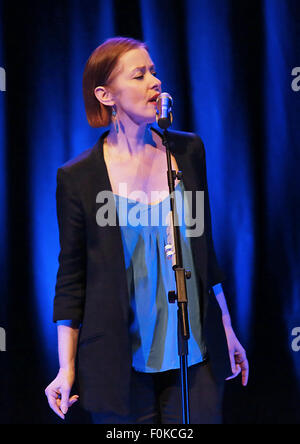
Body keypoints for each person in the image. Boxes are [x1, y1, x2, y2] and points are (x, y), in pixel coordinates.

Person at [45, 37, 249, 424]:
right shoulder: (79, 178)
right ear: (106, 95)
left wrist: (227, 328)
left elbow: (205, 250)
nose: (154, 82)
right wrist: (65, 367)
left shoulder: (188, 152)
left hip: (193, 353)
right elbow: (71, 278)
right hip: (121, 361)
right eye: (139, 75)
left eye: (153, 72)